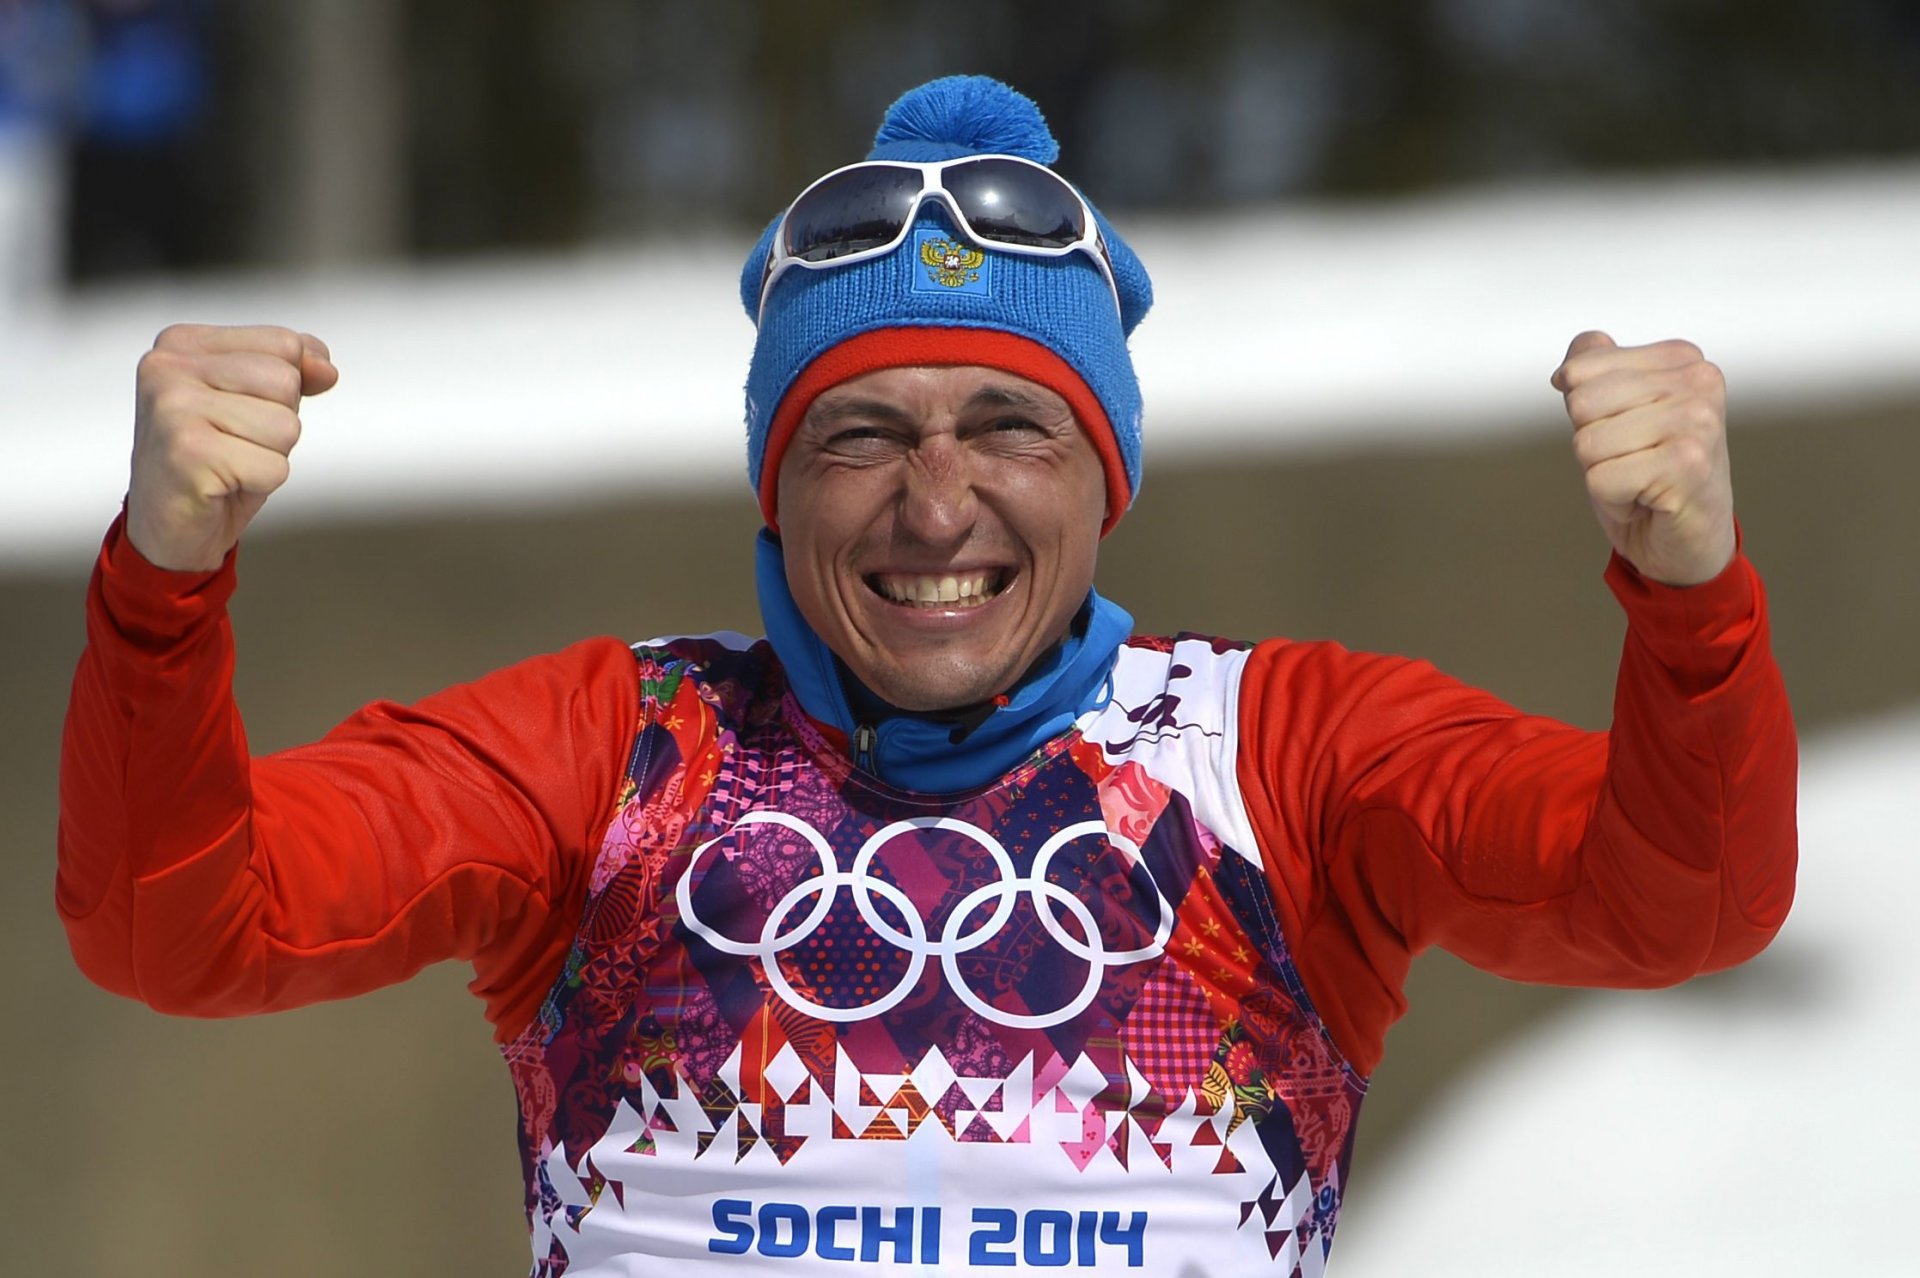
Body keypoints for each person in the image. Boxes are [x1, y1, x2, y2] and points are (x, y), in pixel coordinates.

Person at [57, 76, 1796, 1277]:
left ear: (1105, 469)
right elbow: (176, 924)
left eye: (1012, 427)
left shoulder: (1279, 754)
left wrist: (1690, 591)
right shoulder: (616, 752)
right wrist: (168, 581)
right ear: (776, 480)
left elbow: (1682, 900)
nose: (939, 502)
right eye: (864, 431)